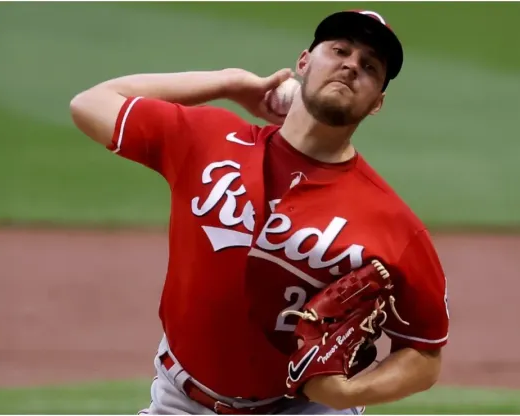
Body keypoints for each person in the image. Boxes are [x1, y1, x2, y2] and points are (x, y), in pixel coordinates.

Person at [70, 9, 450, 415]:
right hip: (181, 402)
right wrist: (229, 82)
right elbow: (91, 103)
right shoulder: (208, 139)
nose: (351, 65)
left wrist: (347, 396)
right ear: (304, 62)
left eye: (370, 66)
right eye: (339, 50)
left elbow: (424, 355)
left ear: (377, 102)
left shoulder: (391, 221)